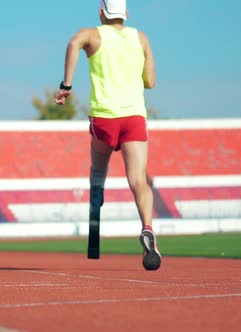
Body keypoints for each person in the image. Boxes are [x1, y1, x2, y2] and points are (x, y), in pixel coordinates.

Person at [55, 0, 161, 270]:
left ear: (102, 12)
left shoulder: (92, 34)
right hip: (134, 117)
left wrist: (66, 85)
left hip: (104, 117)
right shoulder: (141, 37)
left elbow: (72, 44)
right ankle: (148, 228)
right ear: (126, 14)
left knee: (98, 166)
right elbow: (150, 82)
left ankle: (96, 189)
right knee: (139, 179)